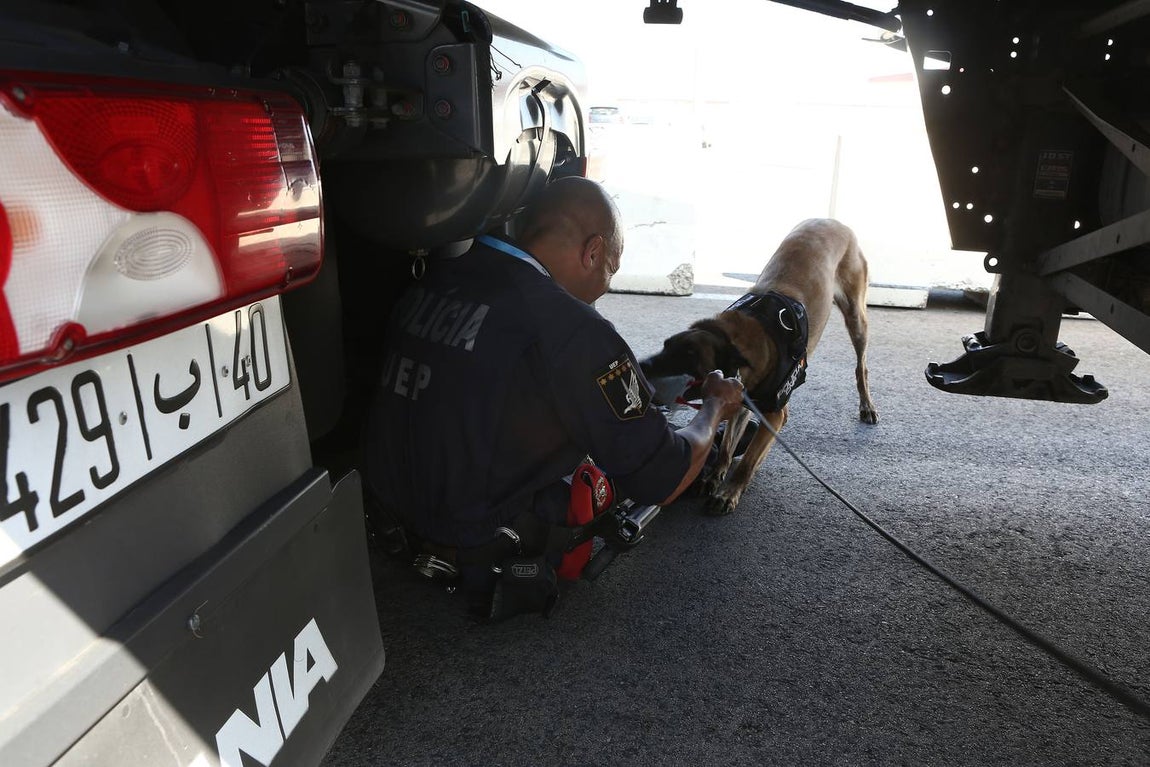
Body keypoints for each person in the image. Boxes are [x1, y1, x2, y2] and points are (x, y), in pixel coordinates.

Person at [362, 176, 744, 617]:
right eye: (610, 270)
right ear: (594, 251)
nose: (604, 286)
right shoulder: (574, 328)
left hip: (389, 525)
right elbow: (662, 476)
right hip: (476, 544)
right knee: (609, 473)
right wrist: (715, 408)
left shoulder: (435, 279)